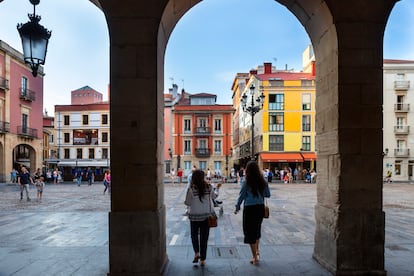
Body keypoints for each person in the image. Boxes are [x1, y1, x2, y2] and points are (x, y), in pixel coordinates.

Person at [234, 160, 271, 265]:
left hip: (249, 209)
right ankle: (257, 252)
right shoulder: (263, 181)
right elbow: (268, 195)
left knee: (249, 232)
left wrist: (237, 207)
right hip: (260, 208)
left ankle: (255, 257)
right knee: (257, 229)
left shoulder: (247, 182)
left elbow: (241, 196)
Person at [184, 169, 216, 267]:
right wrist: (217, 188)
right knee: (204, 238)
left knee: (194, 235)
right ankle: (203, 259)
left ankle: (196, 253)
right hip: (206, 216)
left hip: (194, 217)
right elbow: (214, 197)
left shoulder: (191, 189)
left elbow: (188, 203)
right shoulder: (209, 187)